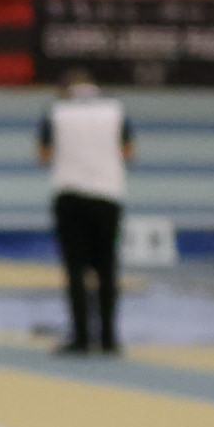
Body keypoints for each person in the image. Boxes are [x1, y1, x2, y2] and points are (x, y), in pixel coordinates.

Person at [38, 68, 134, 357]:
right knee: (107, 268)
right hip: (107, 195)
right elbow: (128, 152)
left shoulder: (56, 112)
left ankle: (80, 337)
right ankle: (109, 338)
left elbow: (44, 155)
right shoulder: (115, 110)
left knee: (76, 269)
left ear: (65, 89)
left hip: (70, 195)